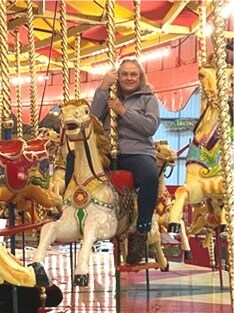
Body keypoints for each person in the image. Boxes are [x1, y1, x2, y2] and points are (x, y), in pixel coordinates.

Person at [91, 58, 161, 265]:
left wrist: (123, 111)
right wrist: (103, 87)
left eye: (133, 74)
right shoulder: (109, 95)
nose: (129, 78)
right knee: (74, 161)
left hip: (136, 151)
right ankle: (65, 207)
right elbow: (93, 118)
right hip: (108, 151)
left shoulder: (148, 98)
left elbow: (150, 127)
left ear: (140, 77)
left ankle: (142, 230)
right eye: (124, 74)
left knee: (150, 176)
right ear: (118, 77)